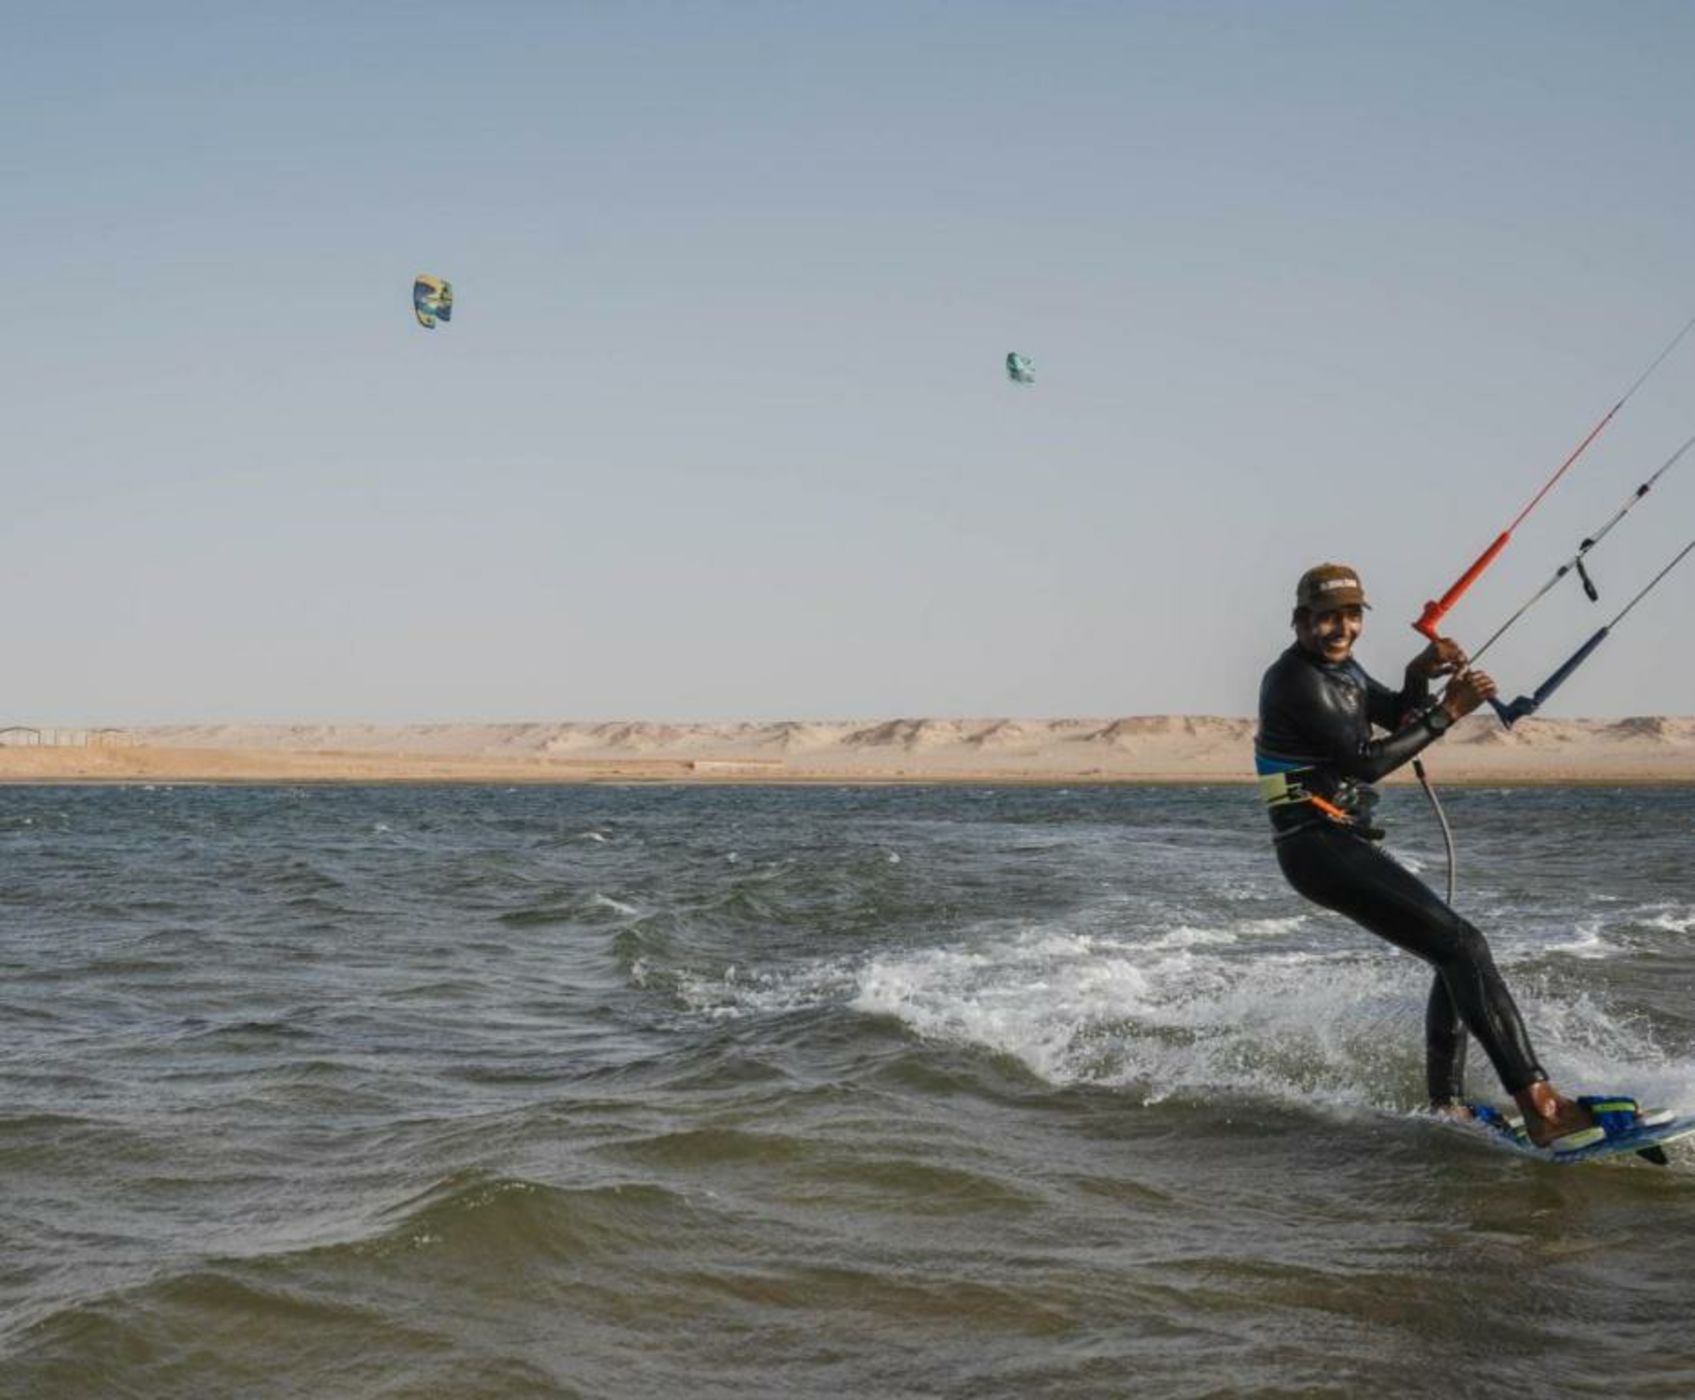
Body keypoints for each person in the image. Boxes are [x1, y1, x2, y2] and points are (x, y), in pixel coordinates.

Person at [1254, 563, 1602, 1150]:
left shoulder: (1340, 667)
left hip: (1337, 843)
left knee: (1453, 952)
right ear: (1300, 621)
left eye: (1352, 616)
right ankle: (1541, 1106)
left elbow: (1394, 716)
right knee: (1464, 946)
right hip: (1317, 848)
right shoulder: (1296, 680)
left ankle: (1447, 1105)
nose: (1341, 628)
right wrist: (1451, 711)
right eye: (1327, 618)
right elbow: (1365, 762)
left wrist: (1419, 677)